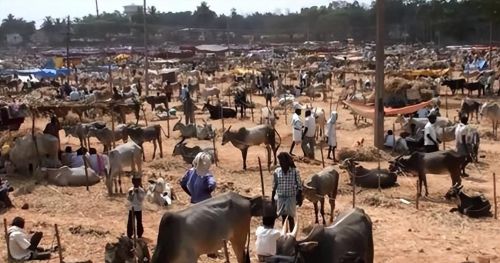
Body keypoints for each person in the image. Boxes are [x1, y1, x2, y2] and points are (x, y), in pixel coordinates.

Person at [271, 152, 302, 231]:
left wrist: (299, 197)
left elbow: (299, 186)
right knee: (284, 217)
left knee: (290, 217)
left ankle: (291, 234)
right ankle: (285, 233)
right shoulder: (277, 171)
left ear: (287, 162)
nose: (280, 164)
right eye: (280, 162)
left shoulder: (295, 172)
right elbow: (275, 185)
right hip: (281, 197)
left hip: (290, 197)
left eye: (282, 162)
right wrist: (272, 198)